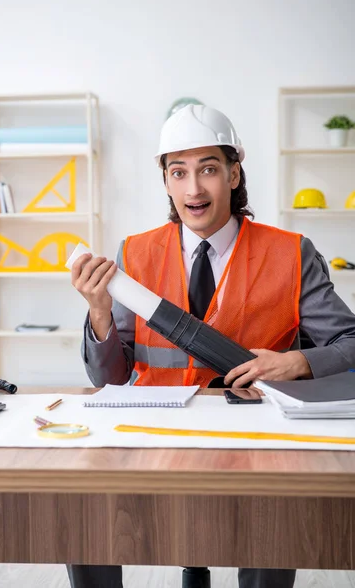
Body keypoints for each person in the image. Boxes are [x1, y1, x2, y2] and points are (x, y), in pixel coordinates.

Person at [69, 104, 355, 588]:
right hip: (152, 435)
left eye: (208, 169)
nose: (193, 189)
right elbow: (109, 378)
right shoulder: (133, 255)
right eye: (178, 172)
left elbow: (350, 342)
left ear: (234, 173)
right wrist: (99, 310)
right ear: (165, 181)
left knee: (271, 528)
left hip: (256, 439)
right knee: (85, 510)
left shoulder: (291, 253)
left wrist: (298, 362)